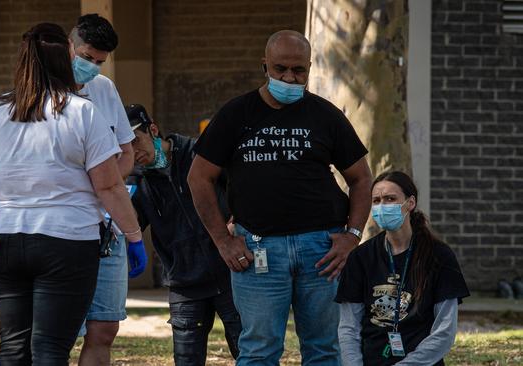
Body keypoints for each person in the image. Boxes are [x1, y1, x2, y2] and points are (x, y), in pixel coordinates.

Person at [187, 30, 373, 365]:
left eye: (298, 70)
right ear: (264, 66)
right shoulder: (236, 114)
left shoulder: (325, 115)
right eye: (280, 69)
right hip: (257, 248)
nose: (289, 77)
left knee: (323, 349)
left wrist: (352, 237)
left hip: (322, 250)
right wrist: (222, 241)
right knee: (259, 350)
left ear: (310, 68)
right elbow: (198, 177)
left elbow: (361, 178)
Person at [0, 23, 143, 365]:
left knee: (13, 347)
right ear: (66, 59)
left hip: (6, 238)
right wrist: (134, 236)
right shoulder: (81, 112)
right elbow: (108, 185)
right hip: (65, 241)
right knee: (49, 347)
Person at [126, 104, 242, 365]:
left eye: (136, 140)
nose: (133, 151)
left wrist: (237, 222)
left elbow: (241, 185)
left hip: (231, 273)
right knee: (186, 359)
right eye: (124, 145)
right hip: (184, 283)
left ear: (153, 129)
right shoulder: (136, 179)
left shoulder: (199, 153)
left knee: (249, 352)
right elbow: (130, 223)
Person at [69, 14, 147, 366]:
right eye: (86, 58)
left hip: (108, 227)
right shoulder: (39, 91)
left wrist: (104, 187)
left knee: (103, 328)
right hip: (64, 230)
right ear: (69, 46)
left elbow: (126, 152)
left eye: (100, 62)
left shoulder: (104, 89)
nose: (92, 68)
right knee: (58, 331)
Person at [336, 171, 470, 365]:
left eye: (390, 199)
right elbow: (349, 328)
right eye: (376, 201)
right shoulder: (360, 257)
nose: (382, 206)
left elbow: (445, 331)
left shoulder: (439, 255)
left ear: (410, 203)